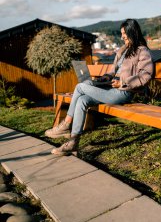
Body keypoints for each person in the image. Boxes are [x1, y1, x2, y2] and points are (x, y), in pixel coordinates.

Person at [45, 19, 154, 156]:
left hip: (123, 92)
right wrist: (105, 78)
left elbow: (146, 75)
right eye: (121, 34)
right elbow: (112, 71)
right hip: (111, 88)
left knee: (80, 87)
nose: (122, 37)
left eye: (124, 33)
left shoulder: (142, 51)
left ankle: (66, 124)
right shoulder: (123, 51)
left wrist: (123, 83)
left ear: (132, 32)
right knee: (82, 99)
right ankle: (73, 143)